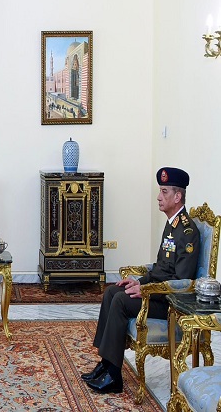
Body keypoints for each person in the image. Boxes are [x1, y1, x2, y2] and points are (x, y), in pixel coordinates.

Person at [82, 167, 199, 394]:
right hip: (157, 292)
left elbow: (181, 281)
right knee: (112, 292)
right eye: (160, 191)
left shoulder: (187, 232)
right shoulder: (172, 224)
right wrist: (139, 282)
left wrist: (146, 291)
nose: (159, 197)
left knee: (120, 301)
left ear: (177, 196)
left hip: (170, 303)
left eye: (164, 192)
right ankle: (106, 363)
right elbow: (161, 268)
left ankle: (114, 376)